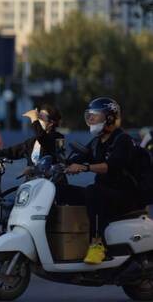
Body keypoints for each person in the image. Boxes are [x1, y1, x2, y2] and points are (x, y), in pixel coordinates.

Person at [63, 97, 143, 264]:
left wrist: (84, 168)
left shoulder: (123, 140)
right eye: (89, 115)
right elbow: (79, 156)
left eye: (95, 115)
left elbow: (112, 166)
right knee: (63, 191)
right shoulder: (97, 141)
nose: (91, 119)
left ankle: (98, 246)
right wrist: (57, 163)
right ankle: (65, 242)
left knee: (93, 191)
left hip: (125, 196)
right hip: (104, 193)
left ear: (110, 118)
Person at [0, 104, 65, 180]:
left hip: (51, 184)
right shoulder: (31, 142)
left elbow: (44, 140)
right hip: (33, 184)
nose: (38, 119)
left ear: (51, 122)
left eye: (41, 117)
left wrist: (34, 119)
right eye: (38, 116)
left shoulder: (58, 138)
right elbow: (14, 151)